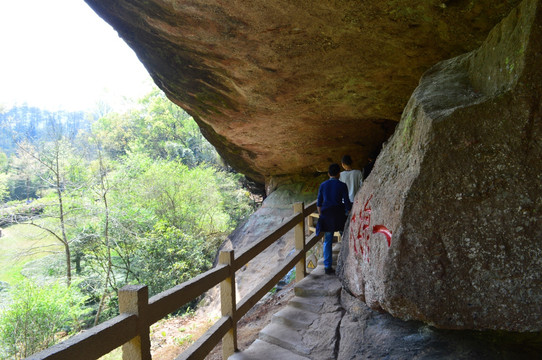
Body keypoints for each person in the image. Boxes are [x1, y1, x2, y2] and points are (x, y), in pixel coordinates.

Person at [316, 163, 352, 274]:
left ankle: (327, 266)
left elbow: (319, 203)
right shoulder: (342, 185)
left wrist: (321, 215)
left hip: (327, 214)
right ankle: (347, 262)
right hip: (339, 214)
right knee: (345, 237)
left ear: (328, 174)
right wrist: (349, 213)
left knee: (328, 240)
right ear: (339, 174)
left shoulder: (323, 185)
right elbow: (346, 203)